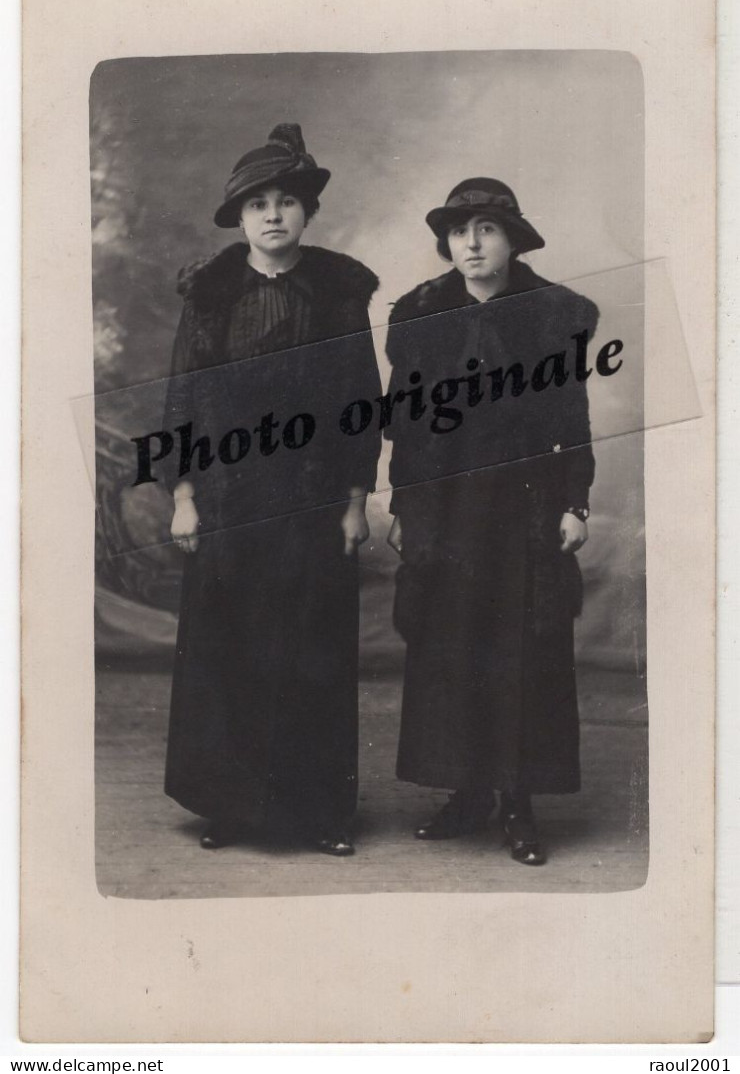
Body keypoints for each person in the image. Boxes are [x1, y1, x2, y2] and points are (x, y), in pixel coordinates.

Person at [163, 124, 381, 856]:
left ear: (307, 214)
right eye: (259, 204)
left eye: (287, 201)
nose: (274, 215)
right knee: (232, 649)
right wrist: (184, 494)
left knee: (313, 649)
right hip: (230, 498)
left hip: (315, 499)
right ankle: (233, 805)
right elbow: (184, 398)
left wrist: (355, 500)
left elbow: (360, 398)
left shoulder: (339, 293)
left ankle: (320, 812)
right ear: (241, 218)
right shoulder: (213, 295)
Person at [385, 177, 598, 866]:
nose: (470, 243)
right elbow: (407, 423)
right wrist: (404, 504)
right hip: (446, 507)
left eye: (485, 229)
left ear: (512, 240)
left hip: (524, 504)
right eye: (458, 231)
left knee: (520, 649)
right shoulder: (421, 314)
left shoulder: (549, 313)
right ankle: (467, 791)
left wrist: (573, 502)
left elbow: (570, 416)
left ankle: (517, 800)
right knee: (451, 644)